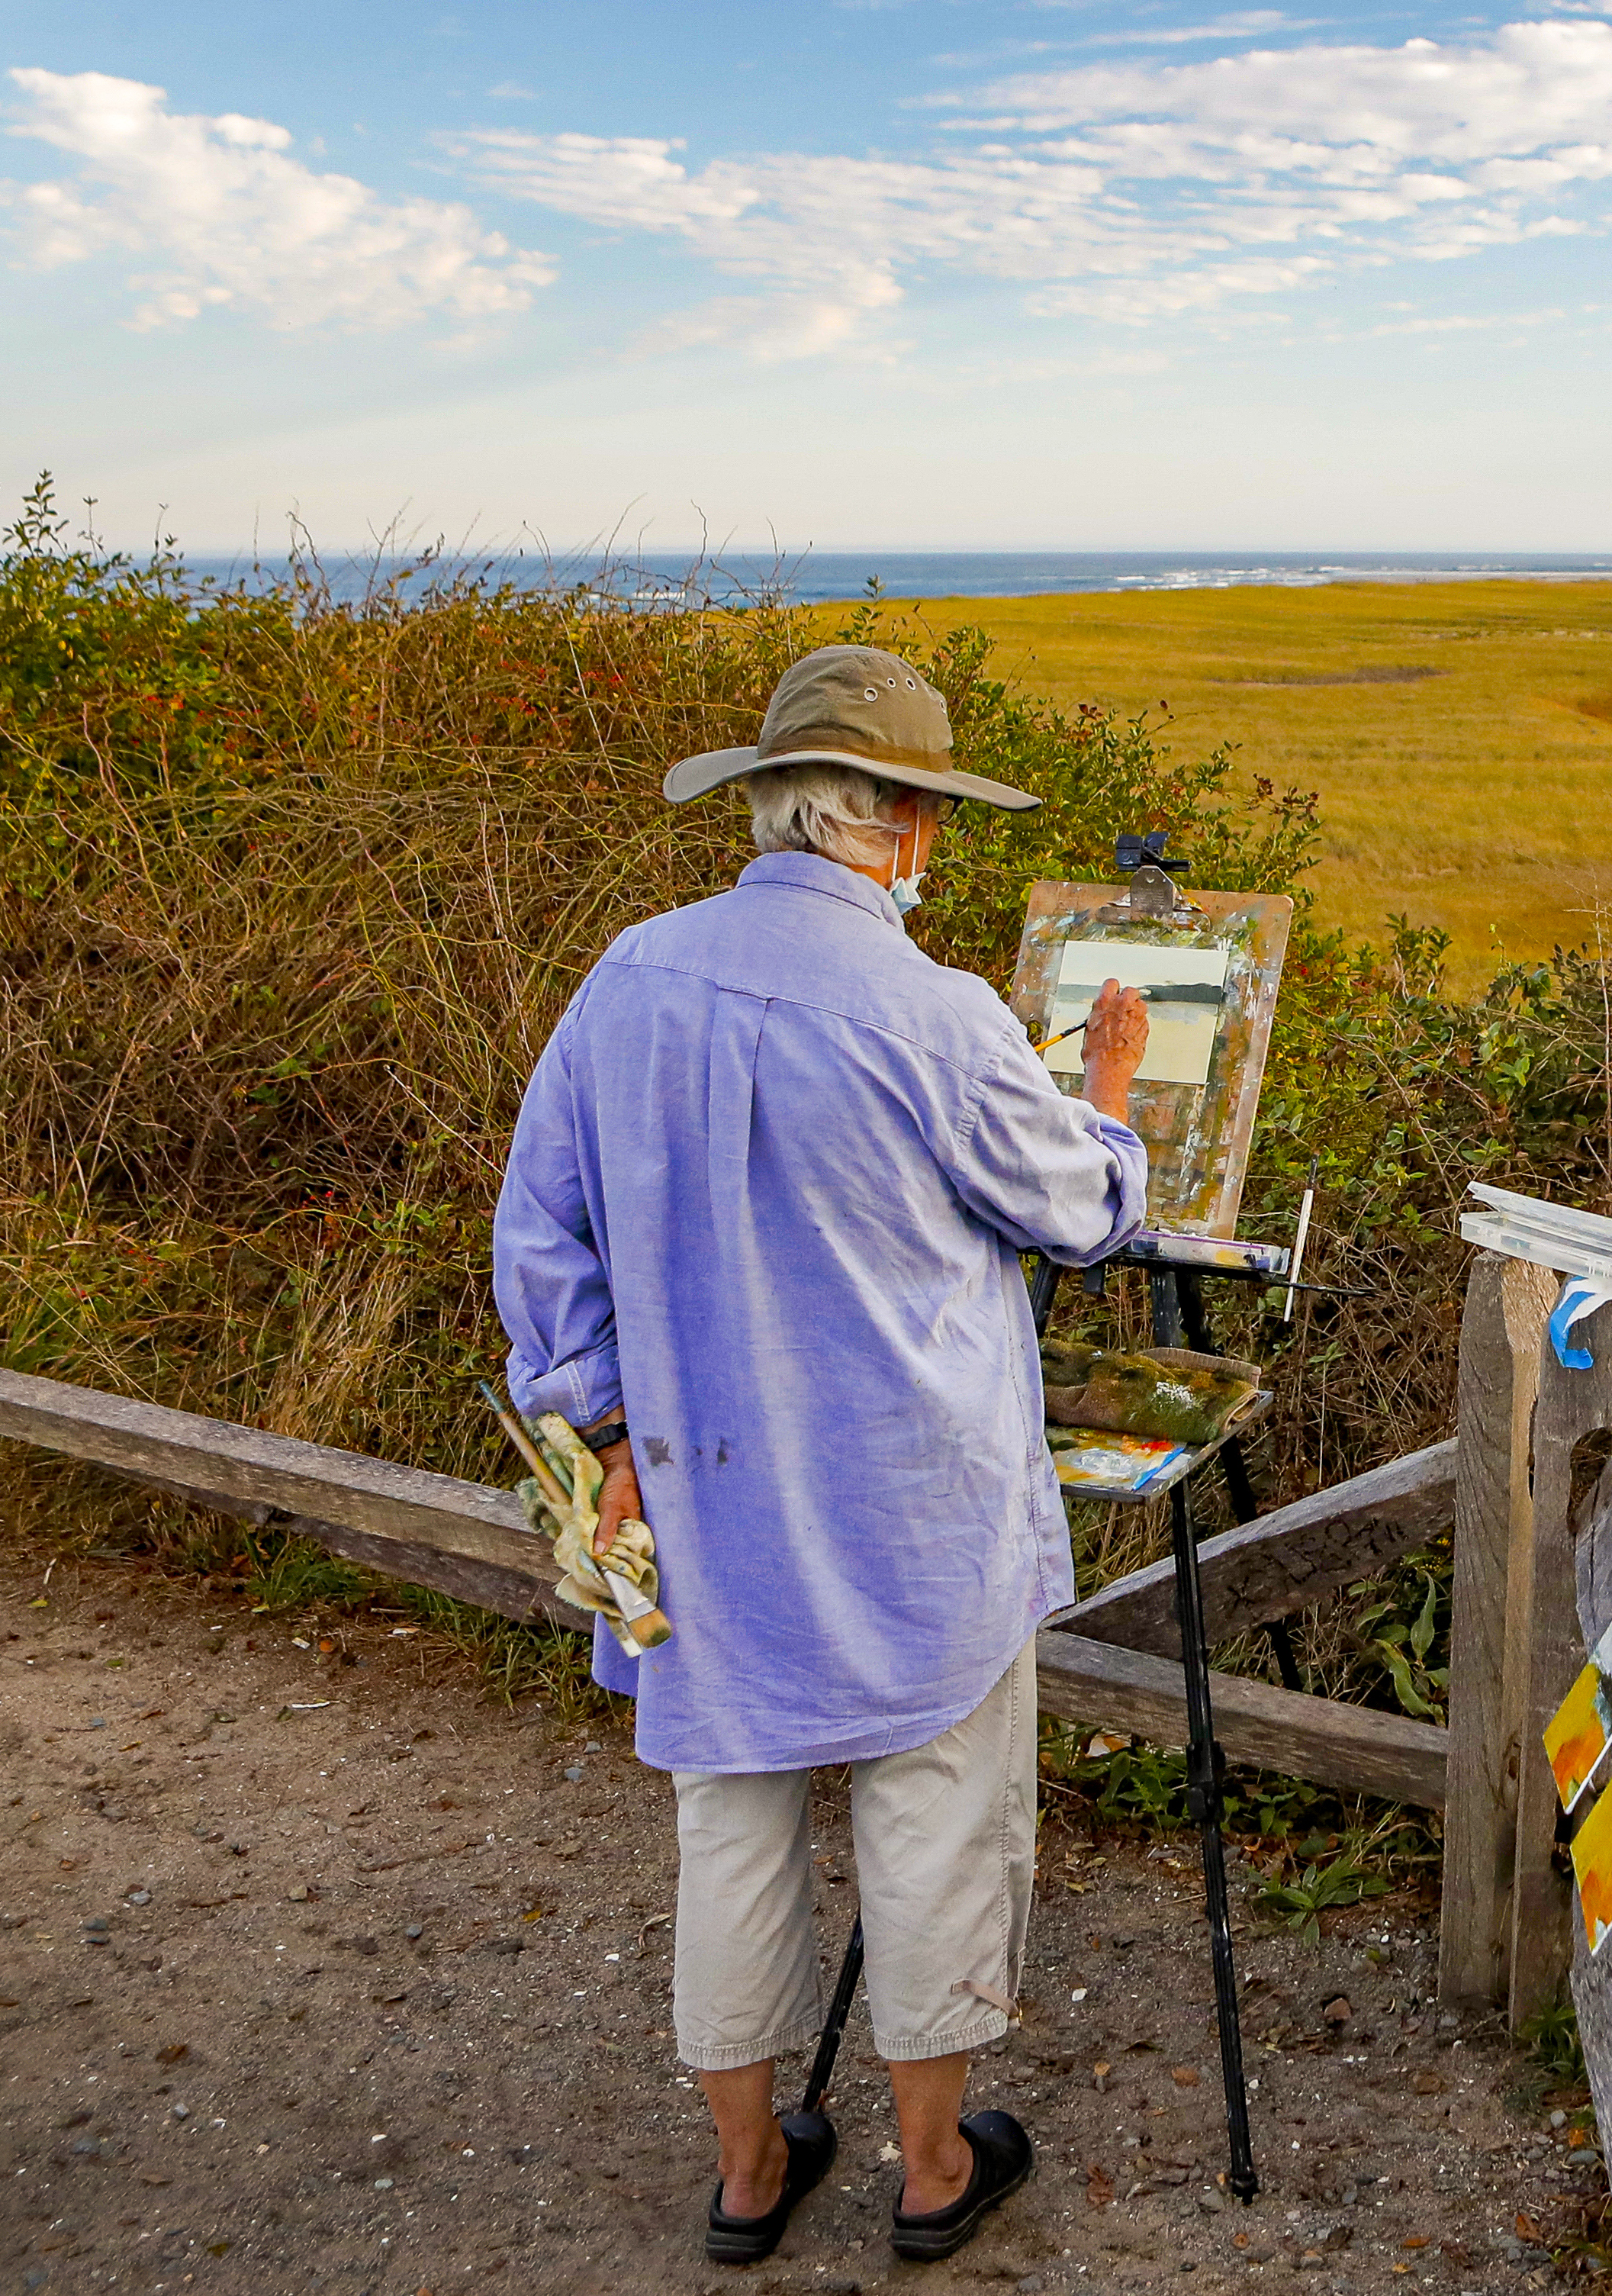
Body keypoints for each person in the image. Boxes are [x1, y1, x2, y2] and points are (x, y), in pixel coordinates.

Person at [492, 642, 1156, 2269]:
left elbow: (540, 1228)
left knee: (730, 1821)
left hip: (693, 1483)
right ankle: (931, 2171)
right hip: (911, 1499)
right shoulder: (936, 1014)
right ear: (902, 823)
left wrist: (598, 1425)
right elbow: (1079, 1208)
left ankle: (746, 2174)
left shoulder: (629, 975)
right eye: (932, 814)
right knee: (935, 1814)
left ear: (774, 800)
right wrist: (1110, 1094)